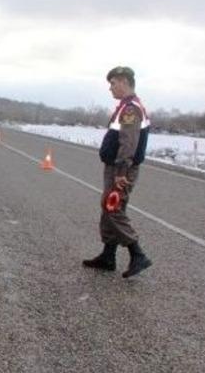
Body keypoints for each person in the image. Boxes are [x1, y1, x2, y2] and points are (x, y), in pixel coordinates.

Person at [83, 66, 152, 278]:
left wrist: (121, 171)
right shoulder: (125, 107)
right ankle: (108, 256)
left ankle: (138, 254)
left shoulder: (131, 109)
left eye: (113, 83)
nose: (110, 88)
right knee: (108, 207)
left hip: (122, 169)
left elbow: (128, 142)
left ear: (123, 81)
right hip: (115, 167)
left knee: (113, 207)